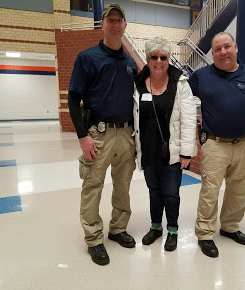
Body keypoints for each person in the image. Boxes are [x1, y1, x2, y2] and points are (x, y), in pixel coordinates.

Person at [188, 32, 245, 258]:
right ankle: (205, 234)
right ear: (213, 53)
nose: (222, 52)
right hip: (214, 144)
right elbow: (180, 98)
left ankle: (230, 227)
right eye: (217, 49)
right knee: (210, 191)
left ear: (235, 47)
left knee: (239, 190)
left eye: (226, 46)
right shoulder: (200, 77)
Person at [68, 4, 137, 266]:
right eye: (111, 20)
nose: (116, 24)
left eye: (120, 20)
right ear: (103, 24)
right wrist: (82, 135)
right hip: (97, 134)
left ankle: (118, 229)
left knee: (123, 185)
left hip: (125, 134)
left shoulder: (130, 62)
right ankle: (94, 238)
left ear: (125, 26)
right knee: (93, 185)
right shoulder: (88, 58)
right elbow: (74, 98)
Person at [133, 36, 197, 251]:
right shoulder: (139, 83)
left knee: (171, 192)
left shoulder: (180, 84)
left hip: (173, 151)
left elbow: (189, 121)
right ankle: (155, 227)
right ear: (147, 58)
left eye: (163, 57)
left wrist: (186, 153)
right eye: (154, 57)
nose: (158, 61)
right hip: (148, 150)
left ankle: (172, 230)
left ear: (168, 59)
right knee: (154, 191)